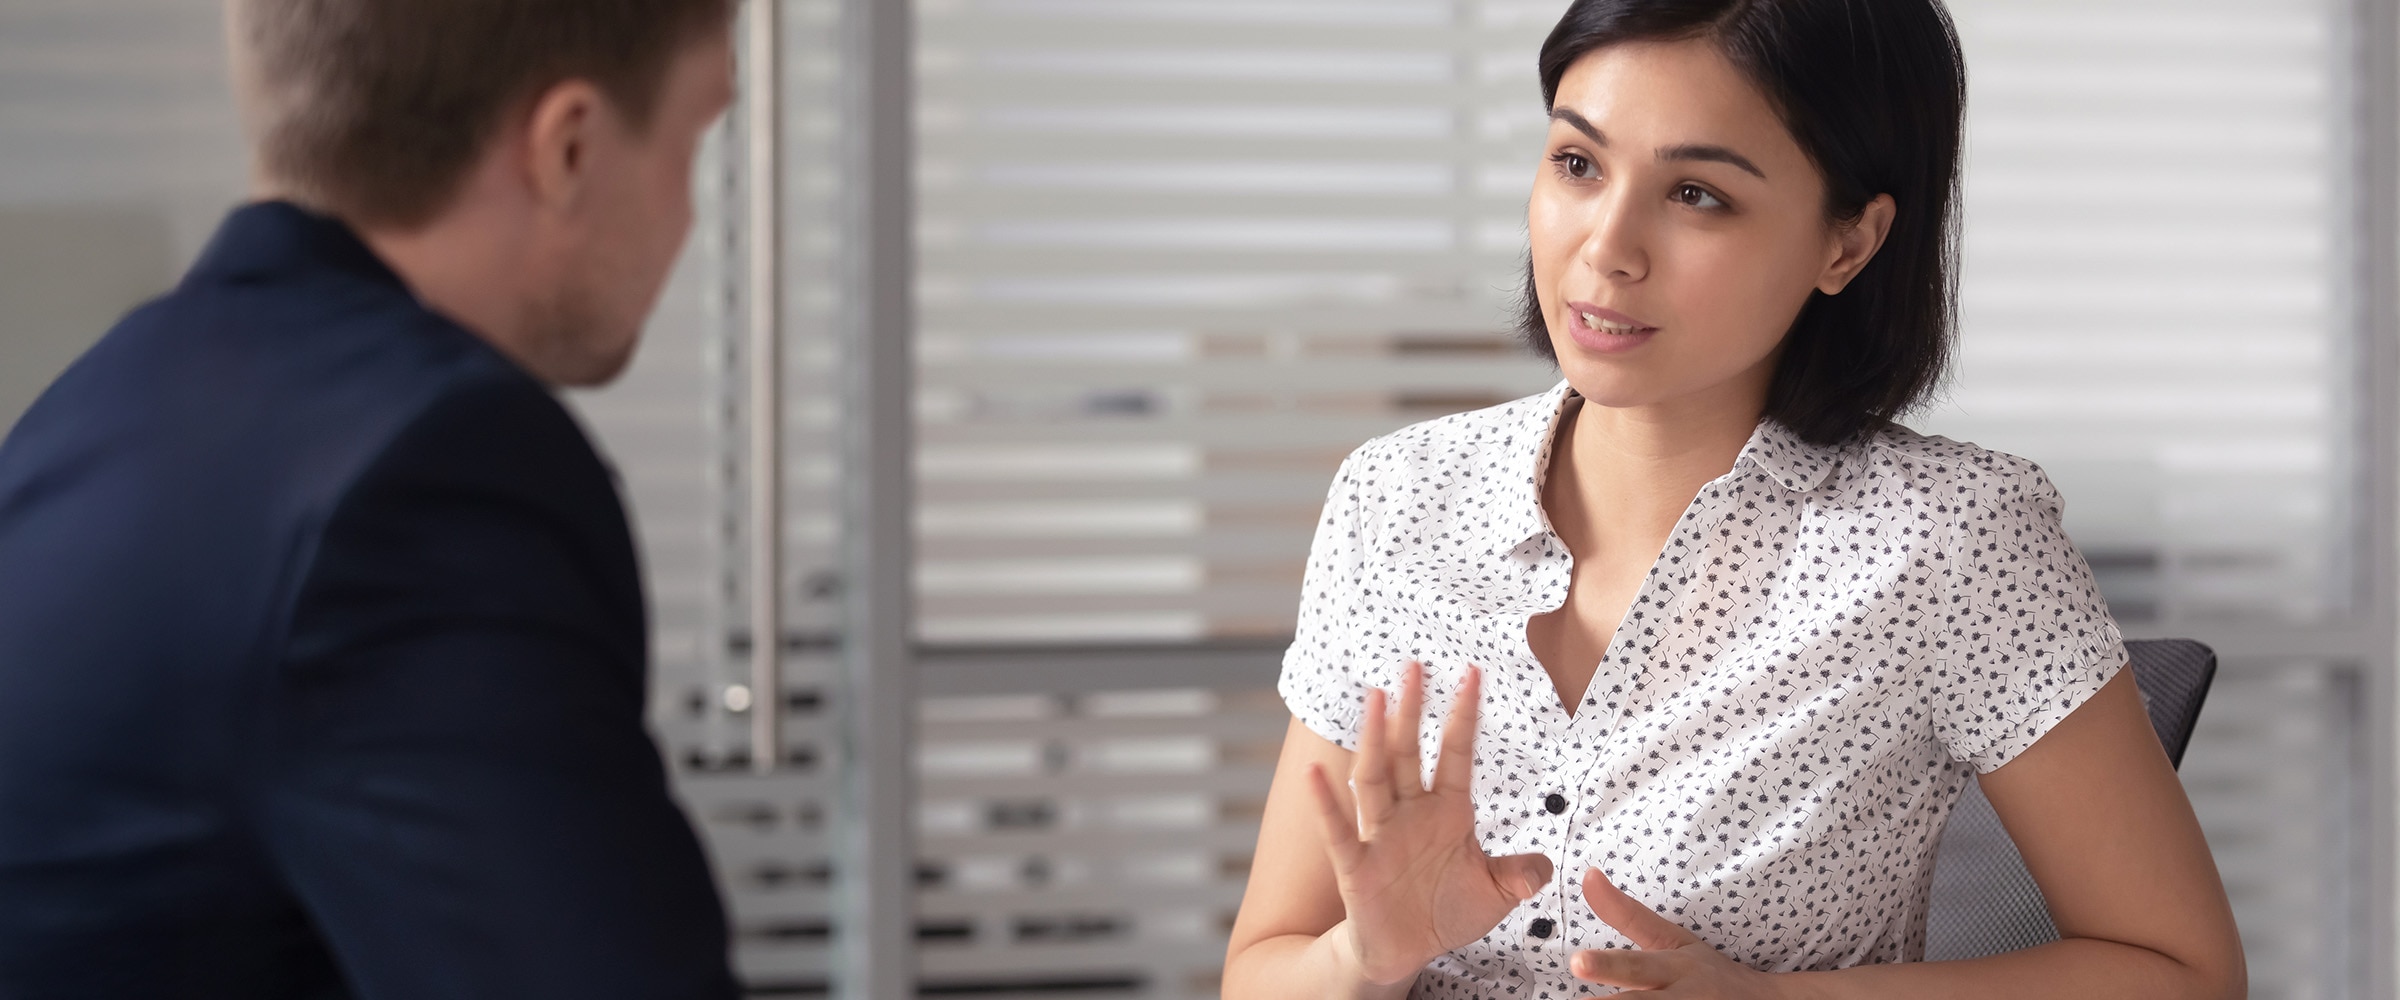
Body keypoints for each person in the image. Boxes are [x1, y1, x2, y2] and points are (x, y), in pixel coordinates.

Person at [1222, 1, 2246, 997]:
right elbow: (1263, 966)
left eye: (1697, 195)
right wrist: (1367, 958)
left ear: (1847, 242)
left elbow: (2181, 971)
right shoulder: (1396, 499)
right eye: (1577, 164)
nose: (1607, 249)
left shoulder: (1947, 539)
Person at [0, 1, 740, 996]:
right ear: (569, 146)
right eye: (698, 138)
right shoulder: (427, 475)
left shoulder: (97, 410)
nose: (692, 215)